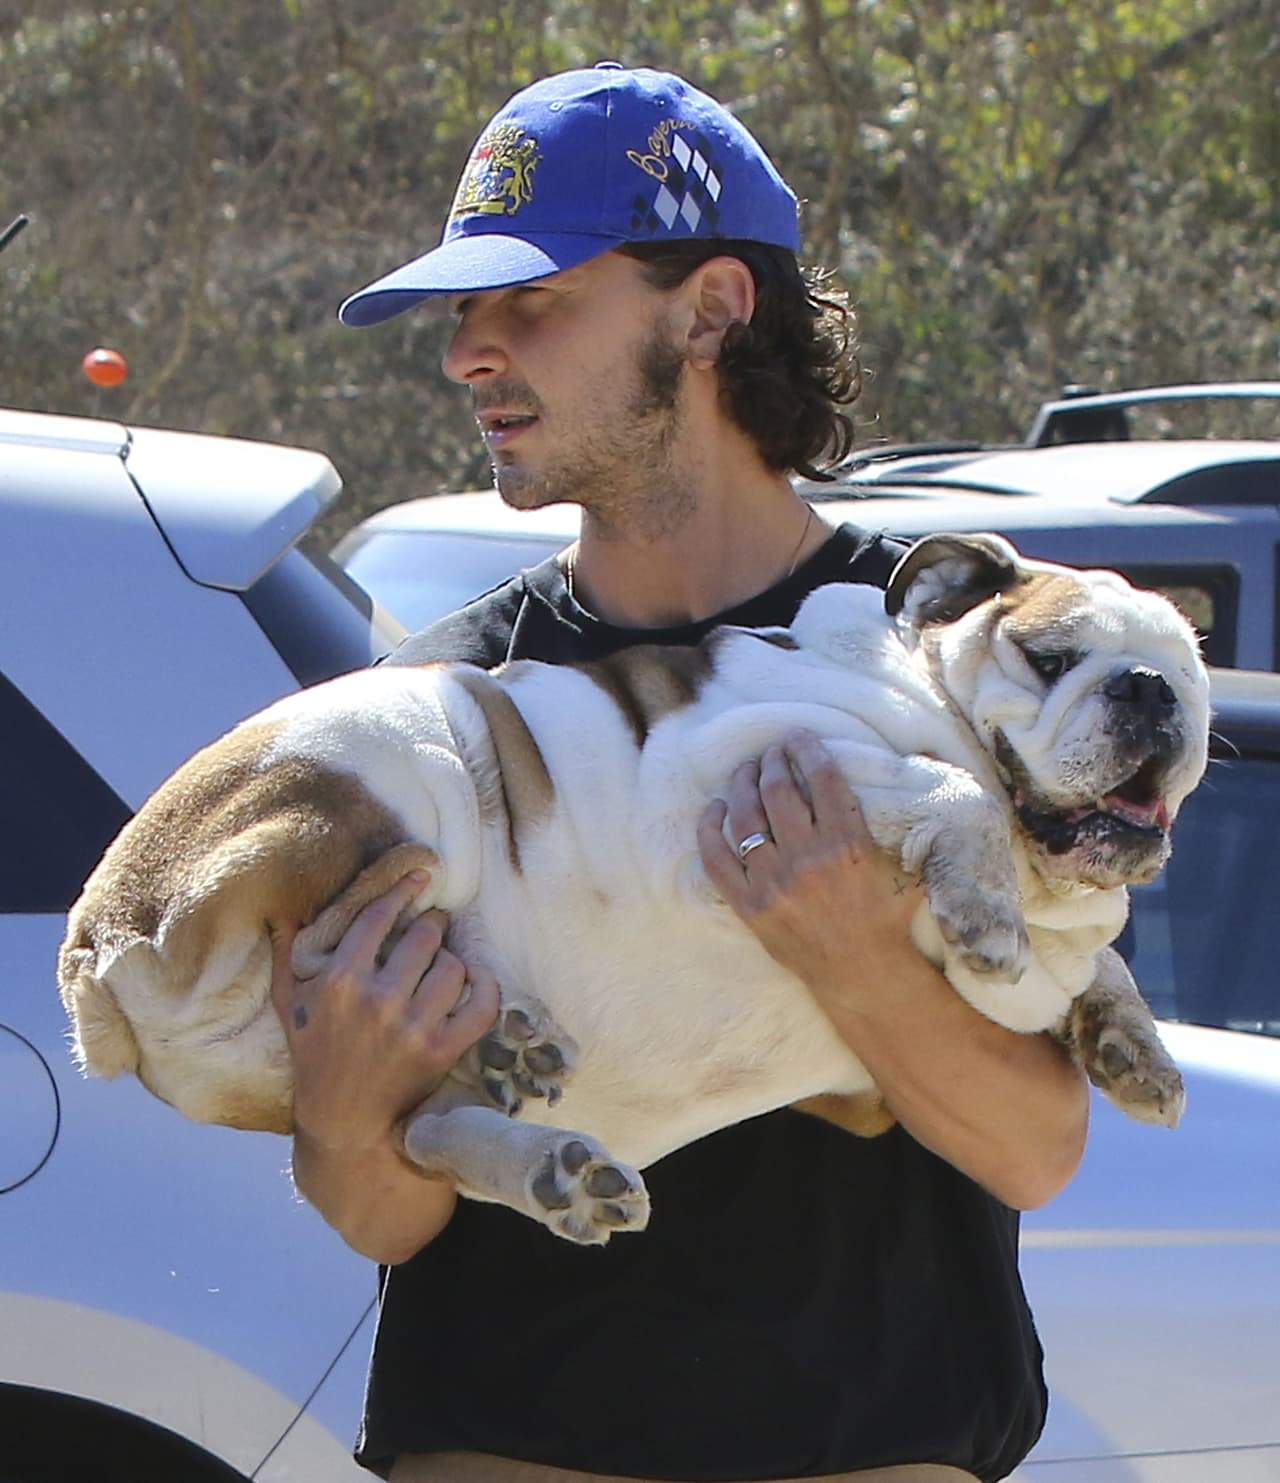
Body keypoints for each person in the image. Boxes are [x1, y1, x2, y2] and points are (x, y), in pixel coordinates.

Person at [270, 63, 1088, 1483]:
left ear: (711, 308)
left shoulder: (962, 661)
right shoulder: (442, 708)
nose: (471, 353)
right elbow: (381, 1215)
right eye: (463, 317)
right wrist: (344, 1112)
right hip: (508, 1445)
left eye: (529, 302)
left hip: (870, 1449)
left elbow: (1036, 1149)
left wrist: (852, 953)